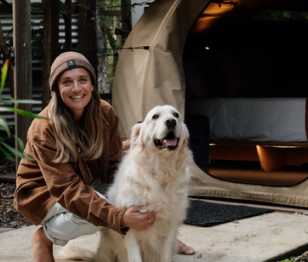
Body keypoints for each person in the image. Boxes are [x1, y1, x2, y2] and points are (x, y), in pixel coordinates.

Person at [14, 52, 194, 262]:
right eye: (66, 82)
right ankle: (43, 238)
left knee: (131, 194)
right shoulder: (43, 128)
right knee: (97, 214)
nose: (76, 88)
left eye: (83, 80)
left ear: (92, 85)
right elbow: (68, 190)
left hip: (85, 180)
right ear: (55, 89)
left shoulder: (104, 113)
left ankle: (162, 237)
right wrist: (119, 218)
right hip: (45, 193)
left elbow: (113, 166)